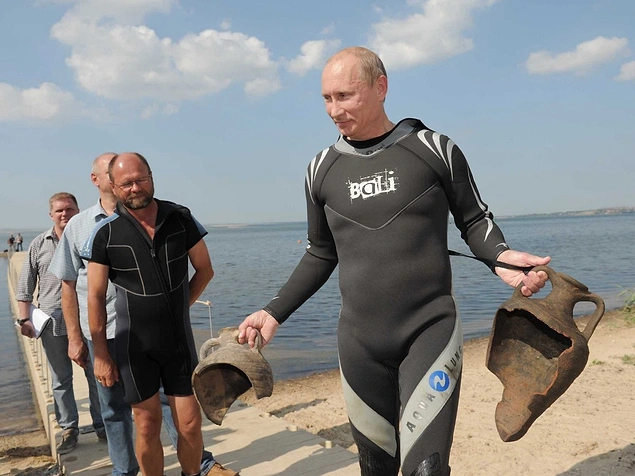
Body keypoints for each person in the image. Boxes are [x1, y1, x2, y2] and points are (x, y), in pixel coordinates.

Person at [237, 47, 551, 476]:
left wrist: (499, 256)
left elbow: (474, 220)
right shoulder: (320, 170)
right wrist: (273, 312)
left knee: (426, 468)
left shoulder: (433, 149)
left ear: (381, 87)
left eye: (345, 95)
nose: (334, 109)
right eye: (326, 98)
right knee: (375, 468)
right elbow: (321, 252)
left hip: (429, 331)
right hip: (359, 344)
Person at [50, 153, 233, 476]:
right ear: (114, 186)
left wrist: (178, 307)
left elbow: (204, 270)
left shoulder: (180, 219)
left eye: (141, 179)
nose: (135, 188)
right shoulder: (105, 234)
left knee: (190, 424)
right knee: (147, 424)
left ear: (151, 176)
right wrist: (101, 354)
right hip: (134, 346)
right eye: (127, 183)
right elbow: (93, 296)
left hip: (178, 343)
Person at [15, 192, 105, 455]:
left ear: (78, 210)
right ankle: (69, 429)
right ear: (51, 214)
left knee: (95, 374)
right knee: (61, 378)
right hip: (52, 321)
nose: (65, 214)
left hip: (88, 318)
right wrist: (24, 320)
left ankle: (102, 425)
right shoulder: (38, 244)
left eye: (70, 209)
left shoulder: (91, 238)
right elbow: (25, 286)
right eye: (59, 211)